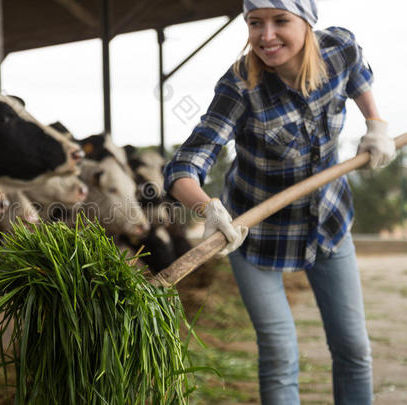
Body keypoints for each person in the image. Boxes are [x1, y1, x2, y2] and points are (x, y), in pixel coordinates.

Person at [163, 1, 397, 404]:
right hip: (254, 236)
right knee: (280, 354)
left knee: (354, 349)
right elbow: (184, 165)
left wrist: (375, 124)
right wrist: (208, 208)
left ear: (307, 21)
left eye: (280, 21)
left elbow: (357, 73)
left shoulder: (338, 48)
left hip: (328, 222)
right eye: (255, 23)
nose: (266, 35)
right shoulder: (241, 86)